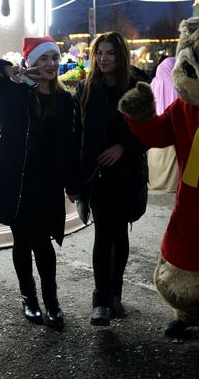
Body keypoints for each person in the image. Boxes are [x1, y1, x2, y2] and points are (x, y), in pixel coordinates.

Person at [0, 36, 77, 329]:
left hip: (46, 180)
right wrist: (8, 71)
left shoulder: (65, 99)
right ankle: (29, 298)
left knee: (42, 241)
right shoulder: (12, 88)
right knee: (22, 239)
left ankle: (51, 302)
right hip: (15, 177)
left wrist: (72, 183)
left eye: (54, 58)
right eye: (43, 59)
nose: (50, 65)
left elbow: (69, 144)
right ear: (31, 63)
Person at [73, 32, 148, 326]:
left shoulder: (137, 88)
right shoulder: (85, 89)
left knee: (121, 234)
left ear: (121, 56)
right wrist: (77, 185)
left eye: (110, 54)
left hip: (127, 174)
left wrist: (124, 147)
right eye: (99, 53)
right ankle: (101, 301)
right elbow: (77, 137)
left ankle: (115, 294)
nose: (103, 59)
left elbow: (147, 132)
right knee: (104, 234)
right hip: (98, 176)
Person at [147, 57, 178, 192]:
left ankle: (156, 182)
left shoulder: (153, 84)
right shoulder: (182, 88)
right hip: (175, 133)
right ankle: (172, 184)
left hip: (157, 134)